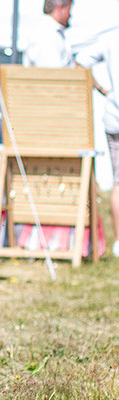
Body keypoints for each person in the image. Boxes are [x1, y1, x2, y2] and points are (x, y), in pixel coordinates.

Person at [76, 41, 119, 257]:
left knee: (118, 182)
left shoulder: (112, 38)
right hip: (114, 120)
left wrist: (104, 90)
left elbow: (80, 63)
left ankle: (118, 242)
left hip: (114, 118)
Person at [23, 0, 75, 68]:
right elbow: (52, 71)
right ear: (59, 7)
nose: (70, 15)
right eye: (69, 10)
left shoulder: (49, 31)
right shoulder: (46, 33)